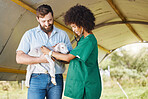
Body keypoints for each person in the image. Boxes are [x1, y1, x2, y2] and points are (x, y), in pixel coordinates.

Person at [41, 4, 102, 99]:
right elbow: (72, 58)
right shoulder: (83, 39)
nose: (73, 30)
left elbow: (69, 57)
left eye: (74, 26)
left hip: (87, 85)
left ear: (83, 23)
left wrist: (49, 52)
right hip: (81, 84)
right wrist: (56, 53)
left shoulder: (88, 40)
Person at [16, 4, 72, 99]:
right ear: (37, 19)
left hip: (56, 78)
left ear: (53, 16)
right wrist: (39, 59)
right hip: (36, 78)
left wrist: (54, 55)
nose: (47, 24)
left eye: (49, 20)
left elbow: (69, 58)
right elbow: (19, 58)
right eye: (43, 21)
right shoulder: (29, 35)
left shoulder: (62, 35)